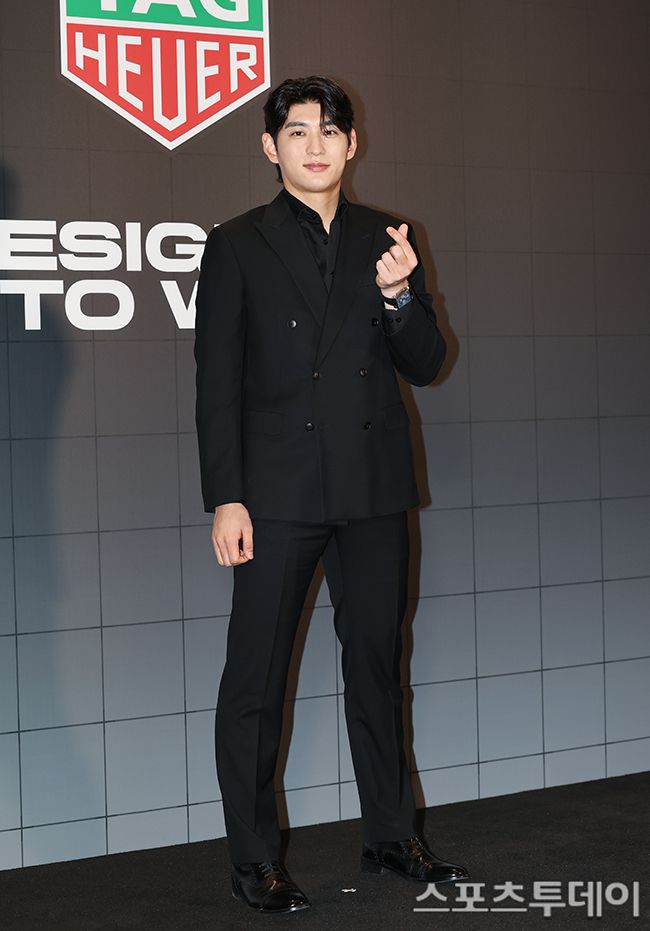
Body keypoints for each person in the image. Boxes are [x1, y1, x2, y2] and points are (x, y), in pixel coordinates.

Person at [194, 75, 469, 915]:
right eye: (297, 131)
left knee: (378, 664)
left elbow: (428, 361)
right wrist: (226, 496)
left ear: (352, 144)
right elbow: (217, 382)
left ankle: (390, 834)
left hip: (373, 487)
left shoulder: (389, 238)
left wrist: (399, 295)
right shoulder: (236, 243)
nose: (315, 145)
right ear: (270, 146)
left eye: (329, 130)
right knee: (255, 677)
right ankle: (253, 859)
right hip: (275, 493)